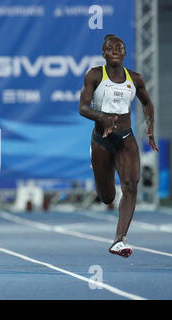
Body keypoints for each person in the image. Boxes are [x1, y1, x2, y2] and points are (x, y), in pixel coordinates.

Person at [79, 35, 159, 258]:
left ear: (124, 53)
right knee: (107, 198)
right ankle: (98, 169)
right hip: (101, 141)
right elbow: (83, 108)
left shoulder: (135, 78)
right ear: (103, 53)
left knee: (131, 186)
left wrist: (150, 128)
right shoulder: (94, 75)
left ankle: (119, 240)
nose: (114, 50)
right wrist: (101, 117)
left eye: (119, 48)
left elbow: (147, 103)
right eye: (109, 48)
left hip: (126, 139)